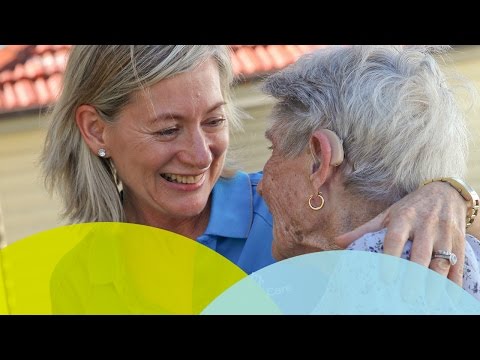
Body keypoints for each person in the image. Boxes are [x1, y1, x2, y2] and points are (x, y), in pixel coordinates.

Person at [41, 45, 476, 286]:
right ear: (96, 130)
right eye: (167, 130)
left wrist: (451, 193)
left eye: (213, 121)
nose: (200, 155)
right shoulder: (79, 274)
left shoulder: (289, 208)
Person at [257, 45, 480, 300]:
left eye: (273, 148)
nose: (260, 185)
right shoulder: (468, 253)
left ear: (320, 160)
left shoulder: (371, 269)